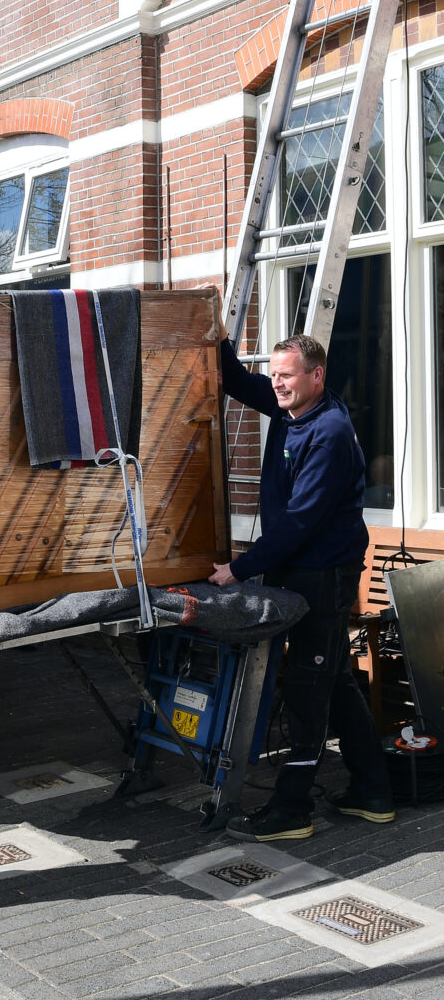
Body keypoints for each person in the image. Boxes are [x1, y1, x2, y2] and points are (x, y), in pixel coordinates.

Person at [209, 328, 394, 841]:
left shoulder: (328, 433)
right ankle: (373, 792)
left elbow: (297, 523)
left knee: (309, 690)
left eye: (287, 375)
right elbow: (238, 383)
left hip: (323, 576)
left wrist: (239, 569)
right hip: (305, 567)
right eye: (275, 374)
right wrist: (219, 335)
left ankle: (292, 811)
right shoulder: (293, 408)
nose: (277, 384)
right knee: (333, 678)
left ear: (317, 375)